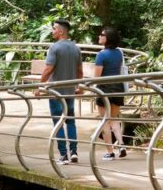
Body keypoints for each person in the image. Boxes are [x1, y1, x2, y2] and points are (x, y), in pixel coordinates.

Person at [37, 19, 83, 164]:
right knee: (70, 121)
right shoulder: (76, 48)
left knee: (58, 122)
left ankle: (63, 155)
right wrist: (78, 86)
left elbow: (48, 69)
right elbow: (80, 71)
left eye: (54, 29)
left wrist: (39, 86)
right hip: (70, 91)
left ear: (61, 31)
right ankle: (74, 152)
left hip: (56, 92)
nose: (52, 31)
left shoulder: (54, 48)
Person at [93, 27, 127, 160]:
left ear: (108, 38)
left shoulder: (101, 55)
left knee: (105, 121)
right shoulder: (119, 53)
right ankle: (122, 145)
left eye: (102, 35)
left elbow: (97, 77)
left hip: (104, 90)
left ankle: (110, 151)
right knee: (113, 119)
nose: (99, 36)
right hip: (118, 88)